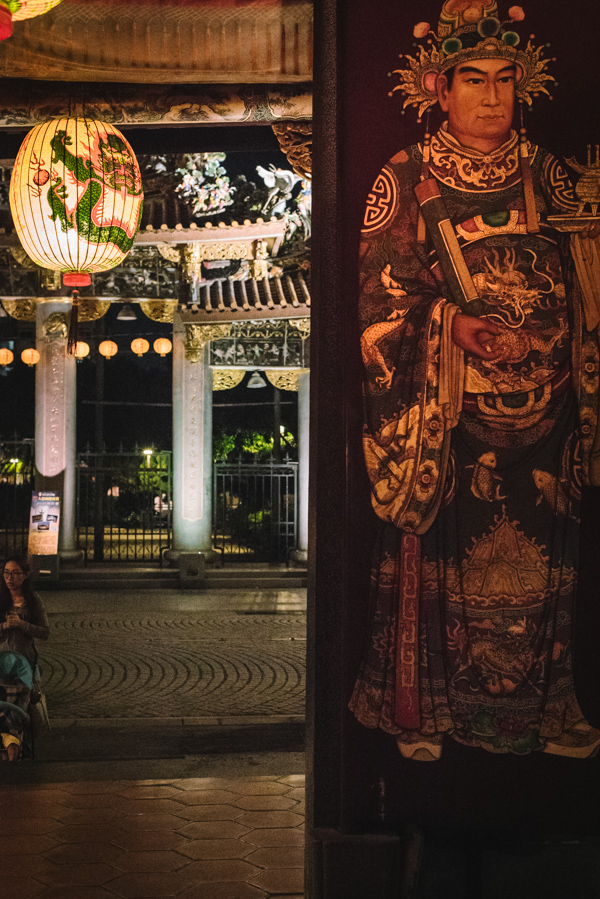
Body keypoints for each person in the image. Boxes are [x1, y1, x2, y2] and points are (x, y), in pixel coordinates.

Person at [349, 0, 600, 760]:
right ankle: (426, 710)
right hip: (449, 418)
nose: (492, 97)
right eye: (473, 80)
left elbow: (583, 277)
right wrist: (450, 328)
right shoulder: (404, 180)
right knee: (448, 570)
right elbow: (376, 301)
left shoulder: (551, 175)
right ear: (440, 89)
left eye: (504, 81)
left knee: (544, 574)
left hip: (546, 413)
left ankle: (549, 709)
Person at [0, 555, 49, 760]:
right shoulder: (1, 599)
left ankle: (14, 742)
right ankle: (11, 743)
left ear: (25, 575)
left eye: (15, 573)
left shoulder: (33, 601)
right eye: (6, 572)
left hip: (25, 663)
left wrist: (22, 625)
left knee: (20, 703)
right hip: (1, 662)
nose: (9, 578)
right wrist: (4, 626)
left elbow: (45, 632)